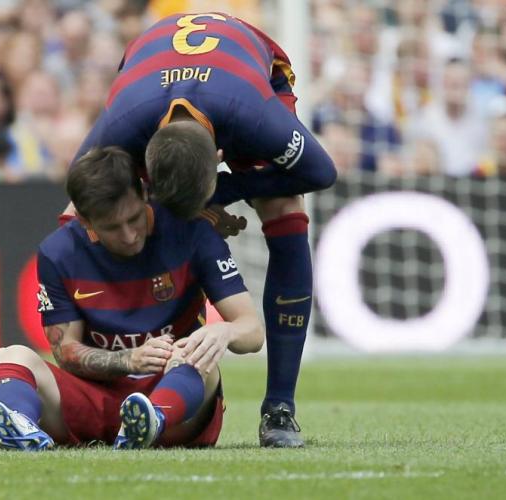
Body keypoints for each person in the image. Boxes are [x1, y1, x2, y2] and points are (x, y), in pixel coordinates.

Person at [69, 12, 337, 447]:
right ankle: (109, 383)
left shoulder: (255, 117)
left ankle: (280, 407)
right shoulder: (124, 122)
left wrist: (227, 191)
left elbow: (322, 172)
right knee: (93, 208)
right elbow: (76, 194)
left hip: (249, 75)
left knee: (285, 206)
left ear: (219, 157)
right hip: (149, 71)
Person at [0, 146, 264, 450]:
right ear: (85, 221)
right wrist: (128, 359)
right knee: (9, 356)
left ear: (144, 194)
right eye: (112, 227)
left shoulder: (192, 233)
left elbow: (252, 331)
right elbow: (65, 352)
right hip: (95, 400)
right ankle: (21, 426)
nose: (129, 235)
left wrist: (224, 332)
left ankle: (152, 419)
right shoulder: (58, 253)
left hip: (176, 400)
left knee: (198, 358)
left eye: (134, 218)